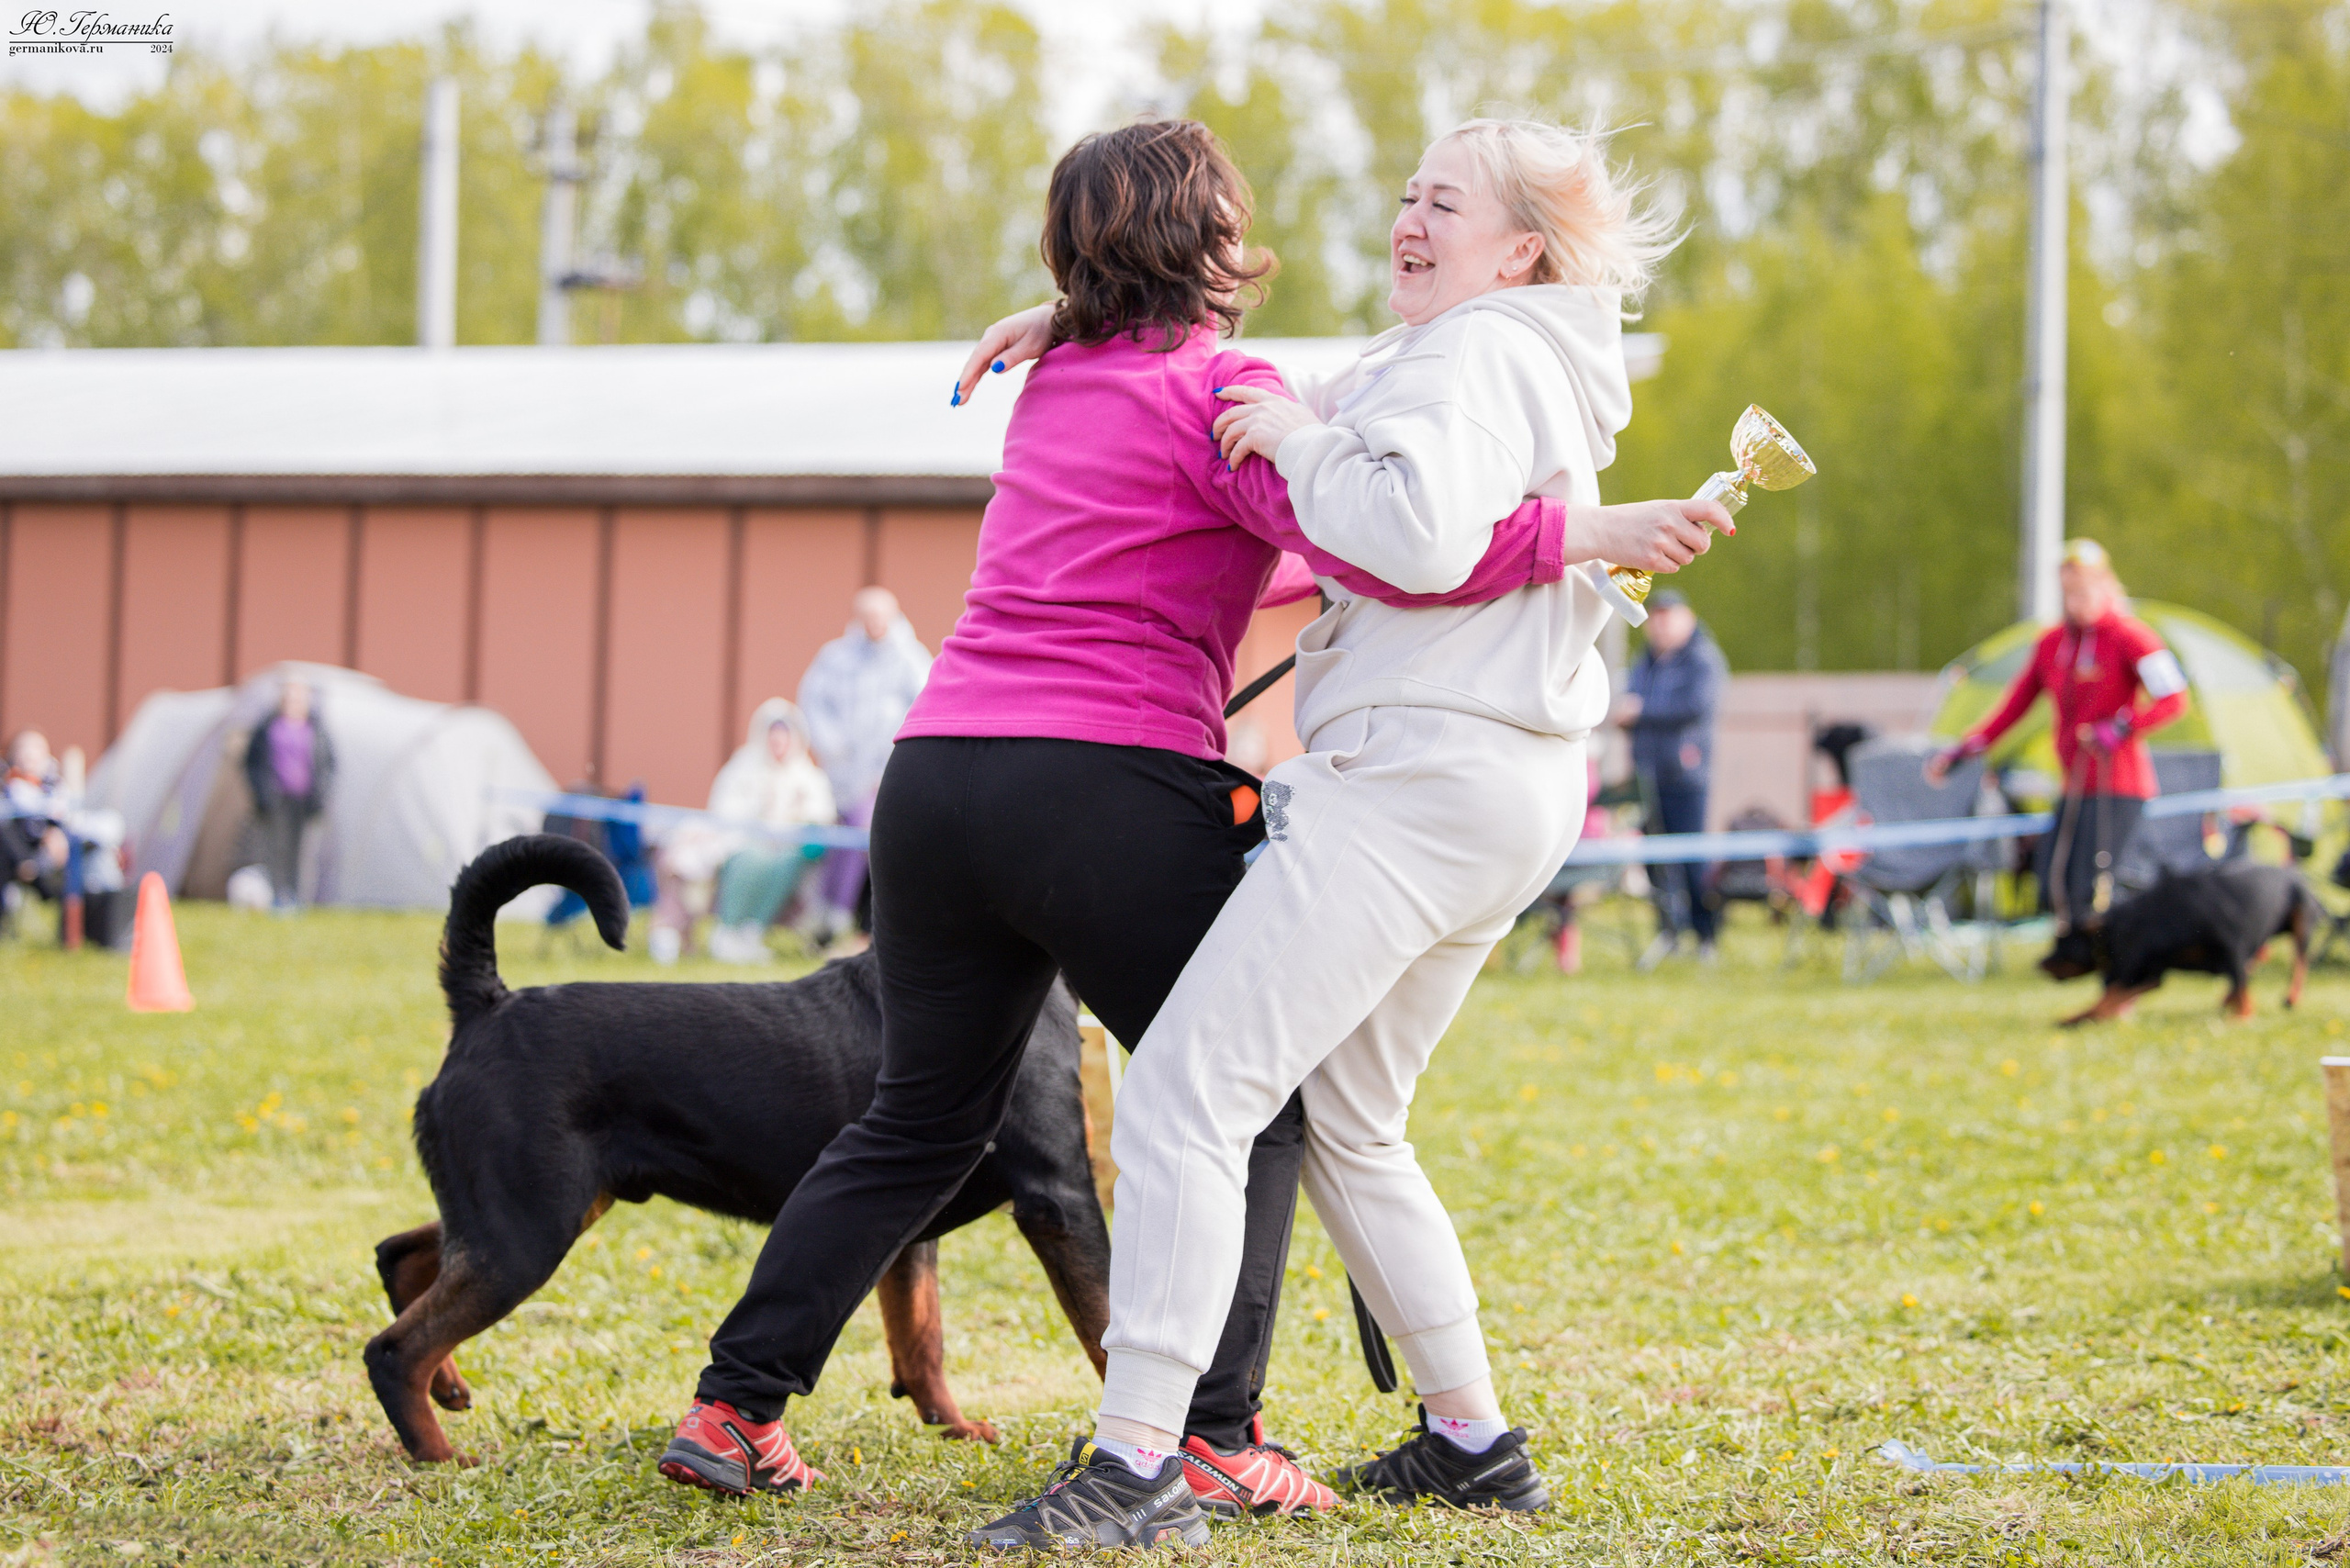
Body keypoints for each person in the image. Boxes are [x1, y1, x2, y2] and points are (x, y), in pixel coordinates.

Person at [659, 119, 1708, 1533]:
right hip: (1105, 783)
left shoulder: (1059, 383)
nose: (1405, 215)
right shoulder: (1233, 391)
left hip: (938, 777)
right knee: (1244, 1096)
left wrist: (1067, 315)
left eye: (1435, 200)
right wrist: (1584, 532)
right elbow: (1387, 541)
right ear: (1218, 245)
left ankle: (734, 1403)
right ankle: (1207, 1439)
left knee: (921, 1117)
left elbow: (1324, 522)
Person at [977, 118, 1728, 1546]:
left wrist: (1301, 441)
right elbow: (1291, 416)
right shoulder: (1495, 352)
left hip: (1418, 777)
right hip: (1503, 783)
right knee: (1351, 1120)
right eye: (1408, 194)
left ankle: (1137, 1464)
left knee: (1187, 1089)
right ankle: (1474, 1441)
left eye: (1446, 203)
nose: (1410, 218)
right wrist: (1081, 316)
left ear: (1521, 251)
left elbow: (1412, 534)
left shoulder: (1474, 353)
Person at [1927, 538, 2188, 934]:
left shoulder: (2132, 637)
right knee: (2052, 882)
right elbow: (2013, 708)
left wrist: (2122, 726)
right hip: (2074, 783)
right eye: (2068, 591)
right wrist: (1963, 750)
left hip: (2119, 784)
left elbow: (2174, 699)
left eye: (2084, 590)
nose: (2075, 600)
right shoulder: (2052, 644)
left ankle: (2108, 957)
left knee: (2090, 886)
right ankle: (2077, 953)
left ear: (2105, 585)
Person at [652, 700, 835, 966]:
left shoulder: (808, 777)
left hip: (785, 861)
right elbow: (725, 812)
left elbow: (819, 819)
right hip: (738, 852)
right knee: (700, 865)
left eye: (785, 735)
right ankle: (720, 931)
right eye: (773, 735)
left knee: (778, 864)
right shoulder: (743, 767)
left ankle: (749, 932)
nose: (778, 742)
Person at [797, 586, 932, 943]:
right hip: (840, 776)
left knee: (868, 836)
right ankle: (820, 917)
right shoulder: (836, 656)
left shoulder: (911, 659)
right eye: (868, 616)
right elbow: (813, 702)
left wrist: (892, 762)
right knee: (838, 842)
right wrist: (833, 748)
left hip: (885, 775)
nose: (875, 623)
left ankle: (842, 918)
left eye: (881, 616)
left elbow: (924, 710)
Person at [1616, 588, 1728, 966]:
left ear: (1687, 618)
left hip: (1685, 775)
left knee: (1692, 858)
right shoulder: (1644, 660)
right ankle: (1669, 932)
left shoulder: (1703, 659)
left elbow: (1695, 705)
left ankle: (1706, 934)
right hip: (1647, 777)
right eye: (1655, 617)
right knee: (1654, 861)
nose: (1660, 625)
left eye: (1668, 616)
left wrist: (1642, 712)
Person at [242, 678, 333, 912]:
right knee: (276, 850)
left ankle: (298, 898)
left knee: (302, 852)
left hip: (305, 800)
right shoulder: (268, 727)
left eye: (298, 698)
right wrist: (261, 793)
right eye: (289, 698)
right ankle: (277, 897)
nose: (294, 703)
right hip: (276, 798)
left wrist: (321, 795)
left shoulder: (316, 730)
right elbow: (252, 763)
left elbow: (328, 765)